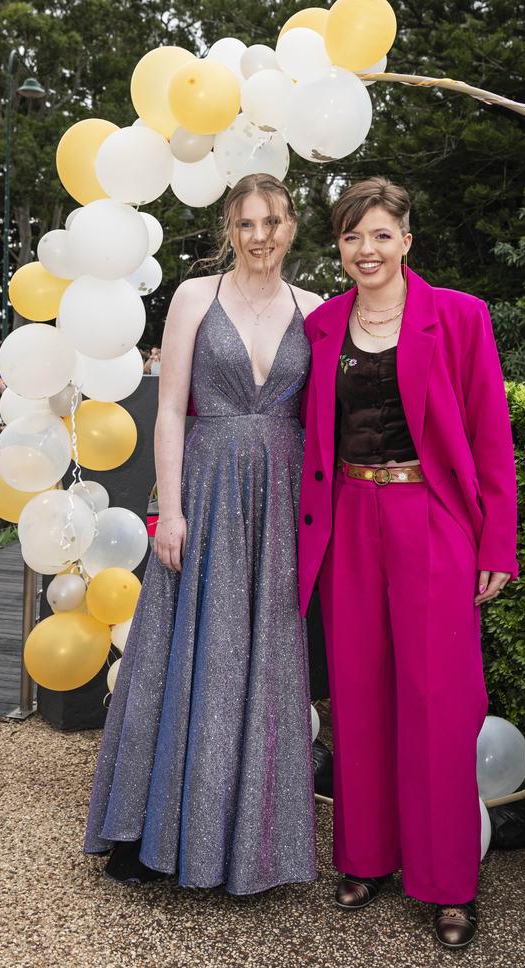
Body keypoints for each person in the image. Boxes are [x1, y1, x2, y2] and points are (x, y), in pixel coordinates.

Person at [84, 174, 323, 895]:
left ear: (291, 226)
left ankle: (247, 841)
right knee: (184, 651)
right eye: (247, 223)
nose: (260, 236)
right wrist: (173, 509)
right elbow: (168, 412)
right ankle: (147, 829)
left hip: (280, 501)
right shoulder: (196, 297)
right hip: (208, 490)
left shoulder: (314, 309)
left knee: (263, 659)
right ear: (229, 227)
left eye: (273, 222)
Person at [298, 178, 517, 948]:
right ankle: (365, 859)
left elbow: (491, 433)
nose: (367, 250)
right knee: (357, 696)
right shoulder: (322, 326)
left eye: (382, 235)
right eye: (354, 237)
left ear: (407, 241)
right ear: (341, 245)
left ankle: (450, 885)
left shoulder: (460, 317)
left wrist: (496, 545)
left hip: (432, 522)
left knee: (438, 703)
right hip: (350, 523)